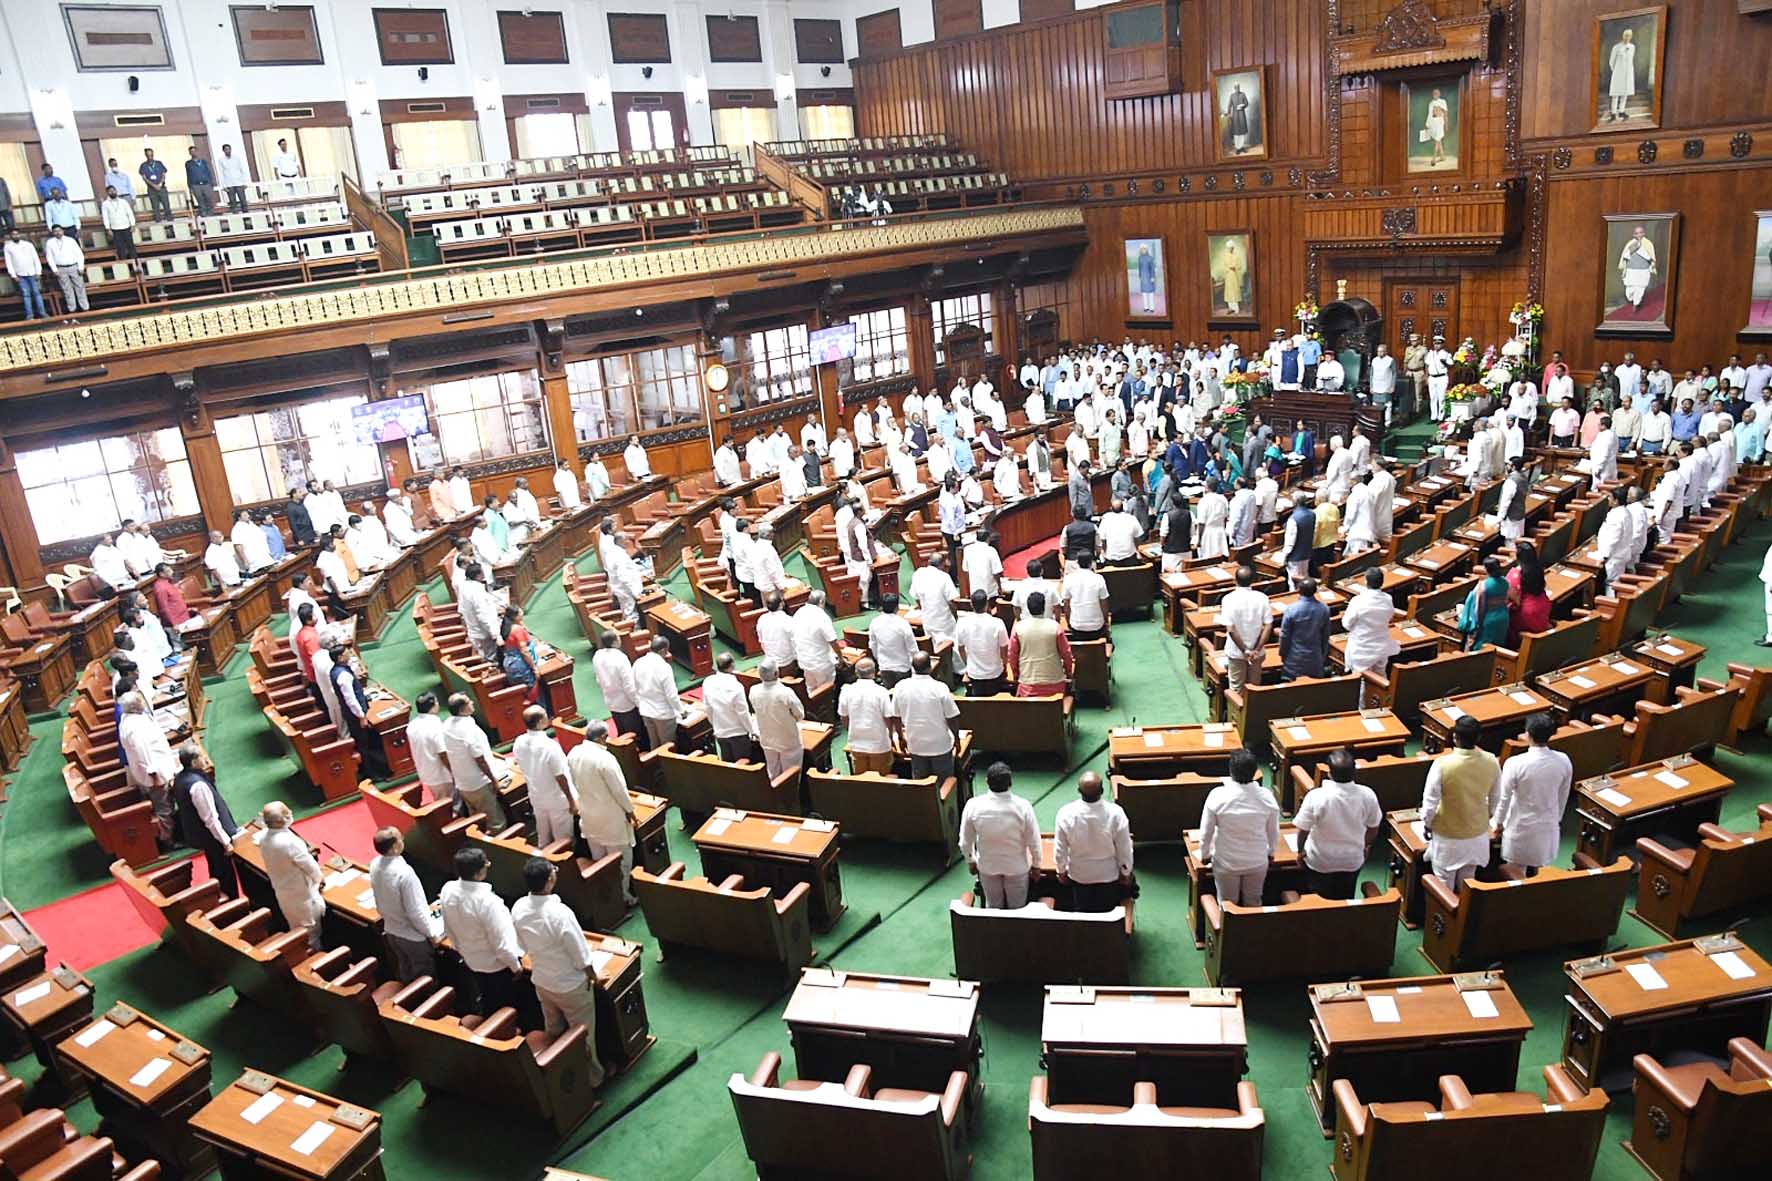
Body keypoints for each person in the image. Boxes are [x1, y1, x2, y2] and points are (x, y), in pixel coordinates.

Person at [512, 859, 608, 1084]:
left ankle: (561, 1074)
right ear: (549, 881)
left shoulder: (518, 907)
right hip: (571, 987)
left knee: (553, 1029)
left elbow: (521, 945)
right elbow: (581, 955)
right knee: (583, 1035)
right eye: (553, 871)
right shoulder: (560, 913)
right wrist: (595, 977)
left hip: (542, 982)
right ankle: (593, 1078)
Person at [439, 847, 526, 1016]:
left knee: (486, 998)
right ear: (479, 872)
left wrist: (462, 951)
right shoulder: (488, 902)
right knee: (504, 1009)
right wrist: (515, 967)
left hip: (470, 961)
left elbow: (449, 929)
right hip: (497, 967)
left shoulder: (447, 889)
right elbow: (501, 944)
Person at [1421, 715, 1500, 890]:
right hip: (1477, 834)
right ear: (1479, 737)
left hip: (1447, 836)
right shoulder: (1492, 761)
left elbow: (1430, 802)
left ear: (1455, 737)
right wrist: (1485, 819)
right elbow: (1496, 799)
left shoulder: (1442, 764)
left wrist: (1426, 824)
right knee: (1468, 881)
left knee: (1443, 886)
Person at [1292, 748, 1382, 899]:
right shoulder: (1368, 795)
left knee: (1320, 898)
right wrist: (1364, 846)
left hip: (1319, 861)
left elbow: (1303, 830)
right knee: (1346, 897)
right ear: (1354, 772)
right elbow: (1373, 828)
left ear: (1329, 772)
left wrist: (1300, 852)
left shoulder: (1316, 796)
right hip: (1352, 860)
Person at [1490, 713, 1573, 875]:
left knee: (1516, 872)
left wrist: (1498, 823)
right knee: (1541, 872)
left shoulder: (1515, 763)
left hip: (1520, 829)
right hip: (1548, 827)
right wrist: (1557, 819)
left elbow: (1504, 798)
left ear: (1527, 734)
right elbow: (1563, 796)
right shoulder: (1564, 760)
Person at [566, 721, 638, 904]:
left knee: (599, 860)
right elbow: (619, 790)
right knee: (622, 861)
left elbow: (573, 782)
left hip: (588, 816)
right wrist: (630, 811)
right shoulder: (605, 759)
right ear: (601, 738)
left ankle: (606, 899)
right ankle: (623, 897)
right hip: (611, 819)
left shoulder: (573, 753)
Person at [1199, 749, 1280, 906]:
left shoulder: (1217, 796)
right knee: (1254, 901)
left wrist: (1205, 854)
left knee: (1227, 903)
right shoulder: (1267, 797)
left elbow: (1206, 832)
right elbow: (1273, 831)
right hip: (1257, 861)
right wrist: (1271, 852)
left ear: (1230, 771)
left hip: (1226, 862)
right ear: (1255, 772)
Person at [958, 762, 1041, 909]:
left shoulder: (973, 805)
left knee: (993, 906)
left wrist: (970, 860)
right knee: (1017, 907)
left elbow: (965, 841)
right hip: (1017, 867)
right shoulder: (1023, 806)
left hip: (987, 866)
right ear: (1011, 783)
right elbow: (1033, 840)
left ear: (987, 782)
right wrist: (1036, 864)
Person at [1053, 772, 1133, 913]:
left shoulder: (1065, 813)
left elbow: (1060, 849)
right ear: (1102, 790)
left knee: (1082, 911)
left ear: (1078, 791)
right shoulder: (1116, 813)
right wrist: (1125, 872)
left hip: (1079, 875)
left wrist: (1061, 871)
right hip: (1108, 875)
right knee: (1107, 912)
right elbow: (1124, 848)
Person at [370, 827, 443, 981]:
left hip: (391, 931)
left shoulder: (375, 864)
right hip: (412, 937)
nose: (403, 839)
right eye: (400, 838)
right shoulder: (405, 873)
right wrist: (432, 935)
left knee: (405, 970)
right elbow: (415, 912)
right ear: (395, 847)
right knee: (424, 981)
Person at [172, 743, 242, 899]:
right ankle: (232, 904)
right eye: (202, 757)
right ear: (194, 762)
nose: (205, 759)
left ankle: (222, 897)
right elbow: (210, 818)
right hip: (213, 837)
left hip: (204, 836)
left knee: (216, 867)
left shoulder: (180, 778)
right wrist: (225, 842)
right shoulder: (197, 785)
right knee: (224, 872)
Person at [260, 802, 325, 949]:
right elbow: (309, 865)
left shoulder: (264, 838)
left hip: (283, 893)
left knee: (296, 930)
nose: (290, 813)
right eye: (286, 812)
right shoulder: (289, 842)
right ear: (281, 820)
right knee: (311, 935)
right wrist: (319, 878)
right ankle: (315, 962)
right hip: (303, 896)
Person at [118, 692, 178, 845]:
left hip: (150, 771)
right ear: (135, 705)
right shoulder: (135, 727)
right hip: (153, 775)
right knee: (163, 807)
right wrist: (154, 775)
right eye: (140, 700)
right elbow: (143, 753)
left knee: (164, 803)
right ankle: (168, 840)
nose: (143, 701)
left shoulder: (128, 719)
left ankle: (170, 835)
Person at [889, 652, 960, 778]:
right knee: (945, 784)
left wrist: (900, 737)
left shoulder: (900, 687)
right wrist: (957, 738)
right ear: (930, 668)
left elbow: (895, 716)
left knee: (921, 785)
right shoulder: (940, 688)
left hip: (915, 745)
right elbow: (952, 717)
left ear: (913, 668)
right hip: (940, 745)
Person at [513, 706, 575, 847]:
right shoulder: (550, 746)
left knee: (543, 836)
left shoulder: (519, 741)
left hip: (537, 797)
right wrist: (571, 800)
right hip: (557, 800)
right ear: (540, 722)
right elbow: (560, 776)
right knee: (563, 841)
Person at [443, 693, 507, 827]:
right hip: (479, 784)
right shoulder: (468, 729)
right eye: (468, 702)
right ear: (462, 709)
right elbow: (479, 759)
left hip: (463, 783)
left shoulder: (447, 725)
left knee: (477, 821)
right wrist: (494, 780)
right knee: (495, 823)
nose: (472, 702)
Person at [1339, 567, 1399, 686]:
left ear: (1366, 582)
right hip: (1381, 647)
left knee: (1361, 683)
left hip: (1362, 649)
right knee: (1380, 680)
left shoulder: (1358, 601)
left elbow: (1346, 624)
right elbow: (1390, 616)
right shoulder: (1388, 598)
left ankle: (1363, 705)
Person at [749, 660, 806, 780]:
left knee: (773, 772)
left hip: (767, 738)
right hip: (788, 740)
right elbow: (800, 715)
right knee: (791, 775)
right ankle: (790, 798)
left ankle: (775, 796)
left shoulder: (753, 690)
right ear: (776, 673)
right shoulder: (785, 692)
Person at [838, 658, 895, 774]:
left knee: (862, 783)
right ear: (874, 673)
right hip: (879, 745)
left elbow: (844, 717)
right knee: (881, 782)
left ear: (856, 673)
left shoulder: (847, 691)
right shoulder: (881, 692)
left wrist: (851, 730)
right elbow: (888, 717)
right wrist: (891, 735)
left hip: (856, 744)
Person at [954, 589, 1010, 697]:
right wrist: (1004, 665)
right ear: (987, 604)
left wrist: (968, 664)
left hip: (974, 673)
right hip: (995, 672)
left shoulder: (962, 623)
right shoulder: (997, 623)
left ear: (971, 604)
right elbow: (1004, 649)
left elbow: (960, 649)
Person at [702, 652, 756, 762]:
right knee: (743, 766)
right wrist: (752, 730)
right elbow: (743, 713)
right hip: (738, 734)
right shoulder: (736, 687)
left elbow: (708, 709)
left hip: (720, 733)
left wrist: (715, 725)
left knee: (728, 766)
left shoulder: (708, 682)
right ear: (732, 665)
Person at [633, 635, 684, 750]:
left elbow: (634, 687)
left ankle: (656, 767)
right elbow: (671, 696)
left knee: (654, 744)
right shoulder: (664, 667)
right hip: (663, 714)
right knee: (668, 748)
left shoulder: (638, 663)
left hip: (646, 711)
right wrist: (682, 711)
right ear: (663, 650)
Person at [407, 691, 454, 809]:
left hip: (426, 772)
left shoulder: (412, 725)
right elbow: (443, 753)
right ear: (433, 705)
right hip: (441, 775)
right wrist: (454, 772)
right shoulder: (435, 726)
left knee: (440, 801)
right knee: (449, 805)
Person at [1278, 577, 1330, 681]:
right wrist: (1322, 656)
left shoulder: (1291, 609)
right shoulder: (1324, 609)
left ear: (1299, 590)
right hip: (1315, 658)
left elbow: (1285, 635)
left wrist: (1282, 653)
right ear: (1315, 591)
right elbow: (1326, 635)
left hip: (1294, 659)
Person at [1458, 558, 1512, 651]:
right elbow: (1507, 599)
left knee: (1483, 650)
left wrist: (1475, 625)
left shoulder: (1482, 586)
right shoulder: (1505, 581)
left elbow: (1478, 608)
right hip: (1503, 618)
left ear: (1486, 569)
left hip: (1488, 620)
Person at [792, 591, 840, 693]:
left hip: (804, 661)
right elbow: (832, 640)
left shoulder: (798, 612)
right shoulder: (821, 616)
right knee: (826, 690)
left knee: (811, 688)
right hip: (821, 663)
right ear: (821, 601)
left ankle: (814, 708)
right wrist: (840, 658)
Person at [867, 593, 917, 688]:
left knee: (890, 694)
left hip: (884, 667)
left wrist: (880, 659)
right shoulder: (903, 624)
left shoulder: (874, 622)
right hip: (903, 668)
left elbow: (873, 646)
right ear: (897, 607)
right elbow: (913, 648)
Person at [910, 553, 960, 646]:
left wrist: (925, 610)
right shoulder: (944, 577)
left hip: (928, 621)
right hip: (945, 623)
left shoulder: (918, 574)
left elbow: (916, 597)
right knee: (951, 649)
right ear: (942, 564)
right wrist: (955, 616)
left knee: (934, 648)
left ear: (928, 562)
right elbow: (952, 602)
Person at [1060, 550, 1110, 642]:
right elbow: (1104, 604)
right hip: (1097, 627)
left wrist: (1069, 623)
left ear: (1077, 563)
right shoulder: (1099, 579)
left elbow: (1066, 604)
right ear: (1091, 563)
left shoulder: (1069, 579)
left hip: (1076, 627)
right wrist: (1106, 622)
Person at [43, 225, 87, 314]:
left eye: (59, 230)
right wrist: (54, 270)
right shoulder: (50, 243)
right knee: (67, 290)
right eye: (55, 231)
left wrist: (81, 267)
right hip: (61, 268)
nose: (58, 233)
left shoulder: (70, 240)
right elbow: (49, 257)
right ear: (52, 232)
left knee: (80, 288)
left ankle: (85, 308)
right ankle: (72, 309)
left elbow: (79, 254)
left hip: (74, 266)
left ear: (62, 231)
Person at [4, 230, 45, 320]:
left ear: (19, 235)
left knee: (37, 293)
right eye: (13, 234)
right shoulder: (8, 247)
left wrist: (38, 272)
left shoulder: (28, 244)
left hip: (32, 272)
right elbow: (9, 262)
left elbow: (35, 258)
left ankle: (43, 313)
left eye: (16, 234)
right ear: (10, 236)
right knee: (26, 295)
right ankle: (30, 315)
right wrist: (13, 275)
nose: (15, 236)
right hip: (20, 274)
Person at [100, 185, 137, 260]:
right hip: (115, 229)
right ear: (107, 193)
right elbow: (105, 217)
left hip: (126, 227)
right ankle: (124, 264)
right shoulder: (105, 204)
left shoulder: (123, 201)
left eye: (114, 190)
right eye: (110, 191)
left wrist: (133, 225)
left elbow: (129, 213)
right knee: (120, 247)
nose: (112, 192)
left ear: (116, 191)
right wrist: (108, 228)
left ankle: (135, 262)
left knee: (131, 245)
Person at [139, 148, 171, 221]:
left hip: (161, 187)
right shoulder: (143, 165)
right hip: (151, 189)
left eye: (151, 154)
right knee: (155, 206)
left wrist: (159, 184)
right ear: (146, 155)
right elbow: (144, 178)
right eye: (148, 155)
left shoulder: (159, 163)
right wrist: (154, 185)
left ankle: (169, 218)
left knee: (166, 204)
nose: (150, 156)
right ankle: (158, 220)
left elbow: (163, 174)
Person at [217, 142, 251, 212]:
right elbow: (221, 173)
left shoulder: (236, 158)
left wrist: (245, 182)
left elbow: (242, 170)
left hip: (239, 182)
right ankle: (236, 217)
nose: (228, 151)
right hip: (229, 184)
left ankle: (247, 217)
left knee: (243, 200)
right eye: (226, 150)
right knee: (232, 202)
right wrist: (223, 186)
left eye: (229, 149)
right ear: (223, 151)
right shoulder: (221, 160)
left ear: (231, 149)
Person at [184, 145, 216, 215]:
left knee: (209, 199)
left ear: (197, 152)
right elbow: (188, 175)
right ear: (189, 153)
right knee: (200, 200)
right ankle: (204, 214)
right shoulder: (188, 163)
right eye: (191, 152)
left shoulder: (203, 162)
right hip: (196, 185)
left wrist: (211, 182)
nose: (193, 153)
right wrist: (190, 186)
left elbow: (208, 172)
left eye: (194, 151)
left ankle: (210, 214)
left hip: (206, 184)